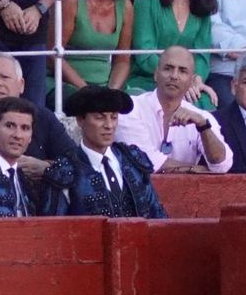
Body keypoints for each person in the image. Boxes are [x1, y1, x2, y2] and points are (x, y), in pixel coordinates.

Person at [41, 84, 166, 219]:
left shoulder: (133, 160)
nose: (109, 126)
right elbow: (55, 231)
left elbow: (157, 217)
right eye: (100, 118)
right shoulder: (65, 171)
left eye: (113, 117)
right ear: (80, 120)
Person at [115, 45, 233, 173]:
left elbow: (222, 165)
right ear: (156, 74)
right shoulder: (131, 108)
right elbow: (146, 161)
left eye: (182, 71)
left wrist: (203, 126)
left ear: (191, 81)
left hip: (185, 192)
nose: (174, 76)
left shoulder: (202, 117)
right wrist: (194, 169)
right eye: (168, 69)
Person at [0, 51, 78, 172]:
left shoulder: (42, 116)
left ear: (21, 85)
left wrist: (46, 168)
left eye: (5, 77)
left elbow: (75, 160)